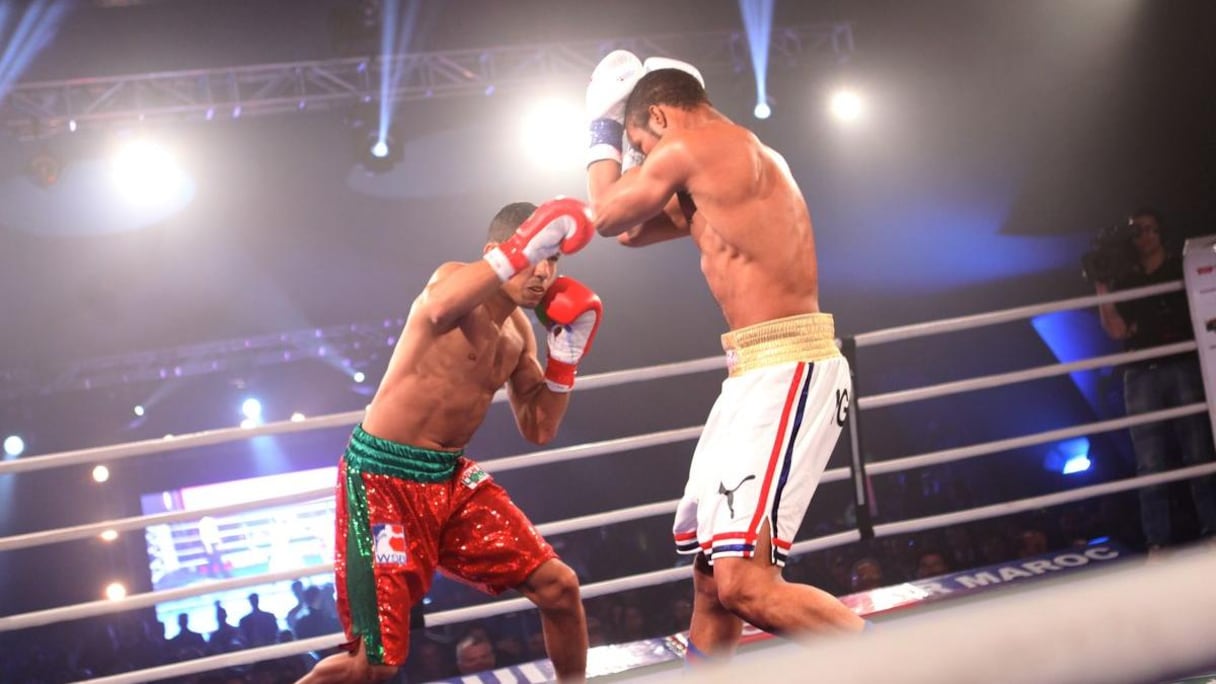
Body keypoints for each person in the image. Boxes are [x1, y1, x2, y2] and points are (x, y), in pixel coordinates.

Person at [583, 51, 867, 661]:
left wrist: (600, 129)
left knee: (748, 588)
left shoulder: (698, 147)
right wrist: (628, 140)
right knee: (712, 584)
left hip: (788, 365)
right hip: (753, 373)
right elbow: (632, 229)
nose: (640, 157)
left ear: (659, 115)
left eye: (640, 141)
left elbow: (605, 215)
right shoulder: (727, 158)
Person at [297, 198, 598, 683]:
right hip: (383, 480)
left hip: (451, 483)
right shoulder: (451, 283)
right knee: (374, 665)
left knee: (559, 587)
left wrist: (565, 359)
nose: (543, 271)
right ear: (498, 250)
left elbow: (539, 428)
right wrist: (519, 251)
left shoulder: (519, 334)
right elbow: (439, 304)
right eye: (537, 252)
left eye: (554, 258)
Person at [1095, 208, 1216, 552]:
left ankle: (1213, 531)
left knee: (1198, 453)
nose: (1142, 237)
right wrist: (1101, 284)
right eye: (1136, 231)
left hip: (1182, 364)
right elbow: (1117, 330)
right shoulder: (1127, 279)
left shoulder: (1182, 270)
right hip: (1141, 372)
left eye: (1148, 229)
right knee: (1150, 462)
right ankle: (1158, 544)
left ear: (1161, 232)